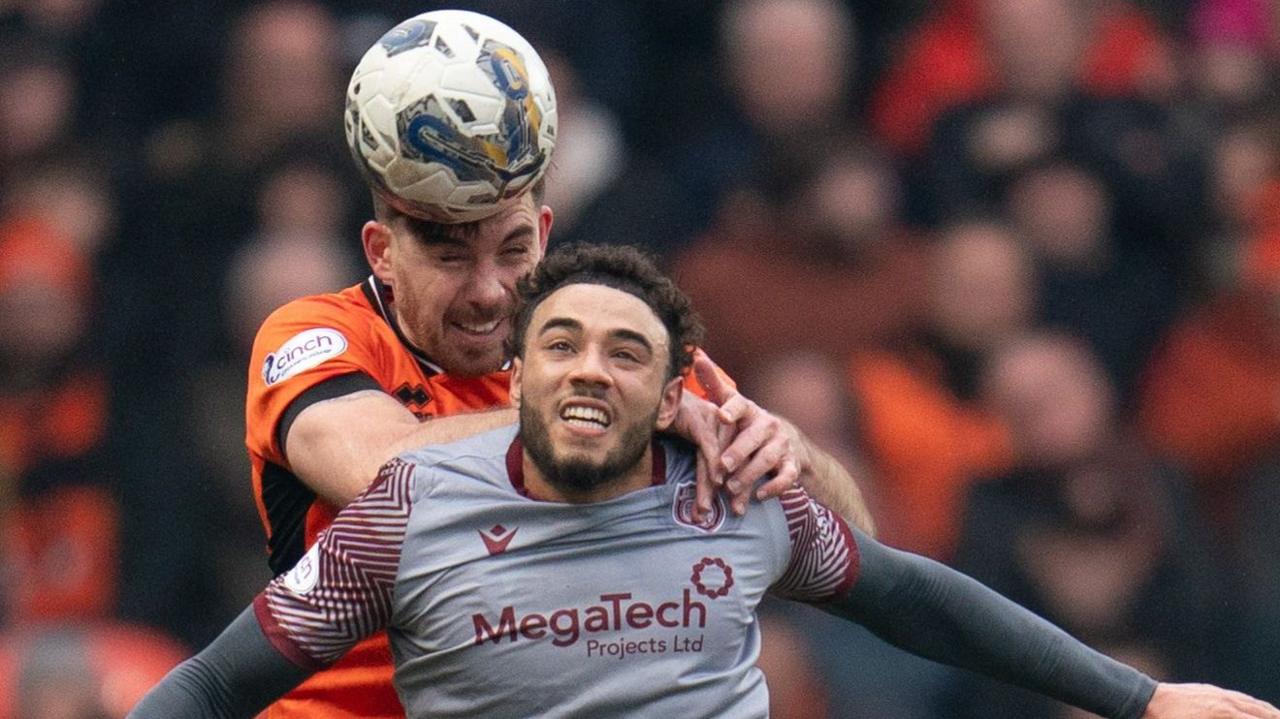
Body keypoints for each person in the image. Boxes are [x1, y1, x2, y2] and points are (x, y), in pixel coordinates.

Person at [134, 244, 1278, 719]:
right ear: (515, 369)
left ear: (675, 386)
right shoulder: (403, 515)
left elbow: (914, 594)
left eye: (625, 352)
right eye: (562, 343)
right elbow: (205, 688)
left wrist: (1139, 699)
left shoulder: (732, 494)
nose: (589, 367)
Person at [242, 11, 872, 718]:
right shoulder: (318, 334)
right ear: (382, 251)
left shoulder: (616, 348)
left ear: (544, 233)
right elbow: (380, 469)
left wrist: (794, 456)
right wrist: (603, 415)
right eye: (451, 255)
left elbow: (855, 550)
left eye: (511, 252)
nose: (488, 291)